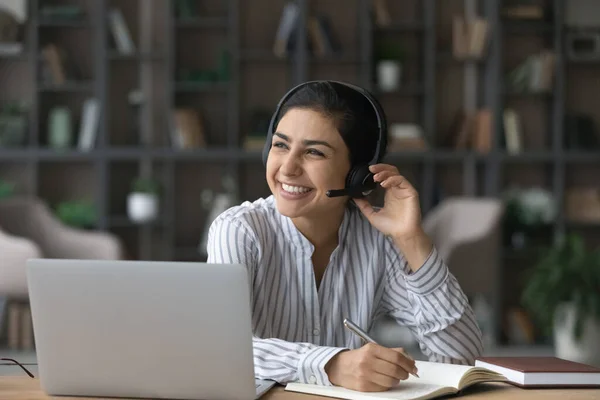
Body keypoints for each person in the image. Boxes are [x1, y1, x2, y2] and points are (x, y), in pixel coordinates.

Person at [206, 81, 483, 392]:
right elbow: (221, 349)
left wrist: (411, 239)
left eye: (313, 152)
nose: (288, 167)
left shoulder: (377, 242)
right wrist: (331, 363)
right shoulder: (239, 230)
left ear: (358, 174)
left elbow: (461, 360)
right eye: (281, 145)